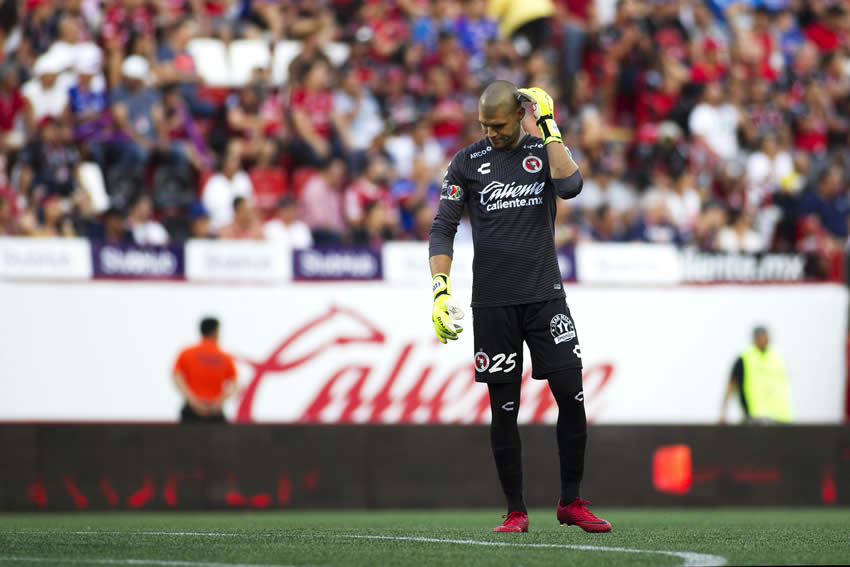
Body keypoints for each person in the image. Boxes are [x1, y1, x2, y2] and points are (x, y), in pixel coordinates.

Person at [428, 81, 610, 533]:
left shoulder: (541, 151)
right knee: (503, 409)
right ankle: (516, 511)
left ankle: (571, 501)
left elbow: (571, 186)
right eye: (484, 125)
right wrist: (439, 289)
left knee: (572, 397)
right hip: (493, 303)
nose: (490, 132)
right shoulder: (466, 162)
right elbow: (442, 228)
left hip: (546, 297)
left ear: (520, 116)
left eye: (499, 125)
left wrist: (549, 128)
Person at [172, 317, 238, 424]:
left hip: (191, 410)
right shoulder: (224, 357)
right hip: (215, 411)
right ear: (215, 331)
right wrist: (219, 401)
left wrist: (192, 401)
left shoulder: (187, 353)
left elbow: (176, 377)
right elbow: (235, 384)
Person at [721, 326, 792, 424]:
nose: (763, 339)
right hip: (755, 419)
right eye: (760, 337)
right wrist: (723, 413)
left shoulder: (777, 359)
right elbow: (731, 386)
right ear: (754, 339)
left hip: (781, 418)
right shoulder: (745, 359)